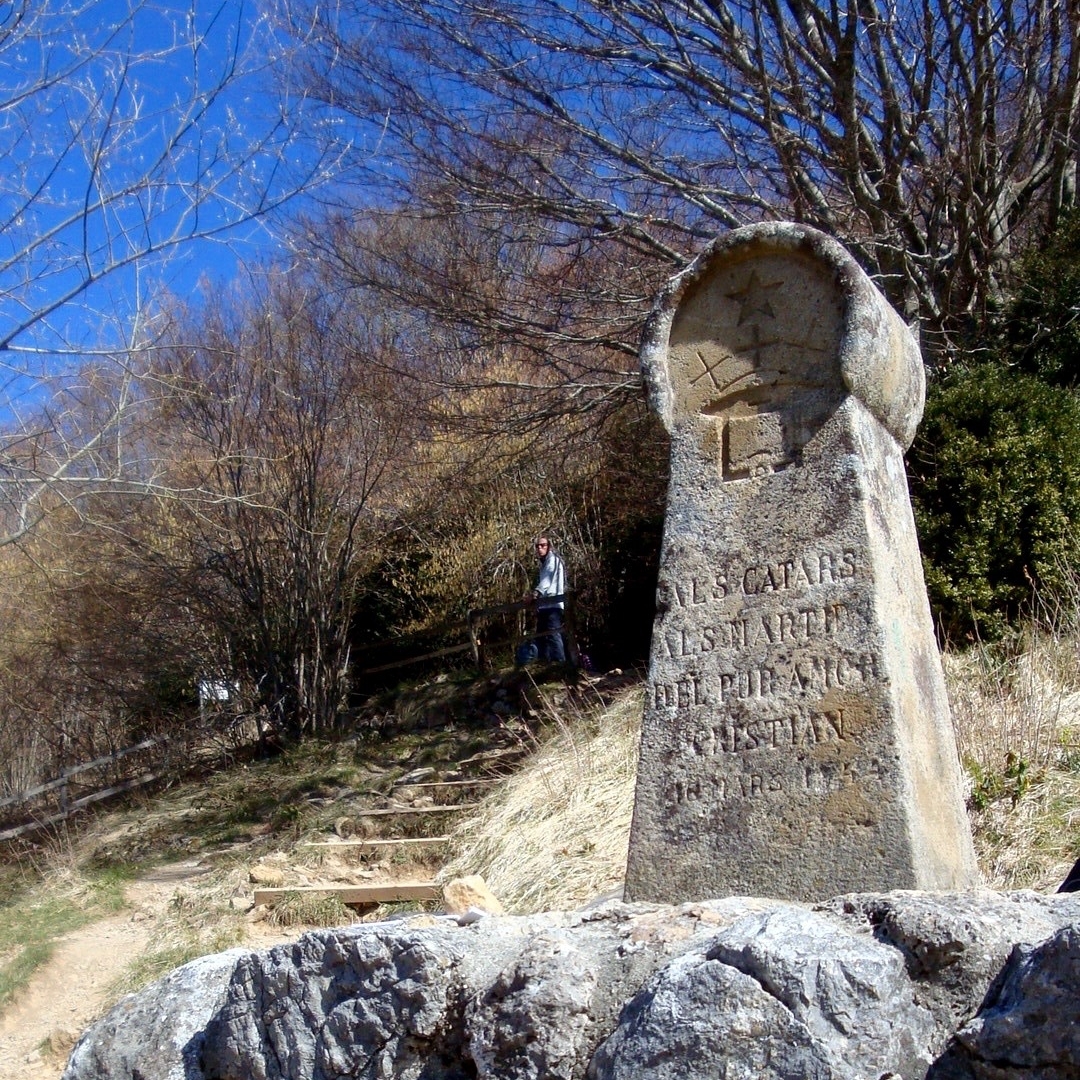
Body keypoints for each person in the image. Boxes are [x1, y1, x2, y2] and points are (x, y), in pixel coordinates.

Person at [530, 535, 566, 662]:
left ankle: (561, 665)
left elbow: (546, 582)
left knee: (553, 635)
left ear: (549, 547)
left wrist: (535, 594)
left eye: (543, 545)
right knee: (541, 636)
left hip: (553, 606)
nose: (539, 548)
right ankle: (544, 665)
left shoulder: (553, 561)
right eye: (537, 546)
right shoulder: (544, 563)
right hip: (545, 606)